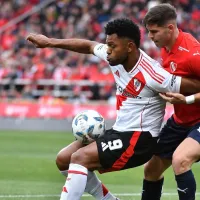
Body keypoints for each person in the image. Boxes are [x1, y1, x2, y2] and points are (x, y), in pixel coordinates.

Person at [27, 18, 200, 200]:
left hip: (139, 139)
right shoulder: (114, 56)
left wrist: (187, 99)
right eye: (107, 44)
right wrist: (49, 42)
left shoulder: (154, 74)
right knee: (64, 160)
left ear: (130, 47)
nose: (107, 50)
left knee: (80, 158)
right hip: (120, 131)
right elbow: (88, 46)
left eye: (112, 45)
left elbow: (194, 84)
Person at [141, 3, 200, 200]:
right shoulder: (166, 47)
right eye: (149, 31)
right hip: (180, 121)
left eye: (154, 31)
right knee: (151, 170)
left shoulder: (193, 54)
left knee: (181, 160)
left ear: (170, 28)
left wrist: (188, 99)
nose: (150, 37)